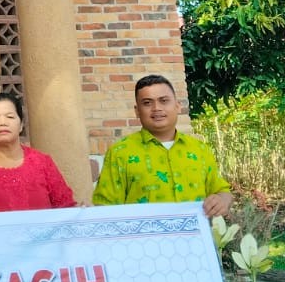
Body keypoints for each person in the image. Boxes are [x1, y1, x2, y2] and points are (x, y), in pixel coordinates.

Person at [92, 74, 232, 218]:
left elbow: (222, 191)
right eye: (147, 103)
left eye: (164, 101)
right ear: (137, 111)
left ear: (177, 106)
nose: (156, 108)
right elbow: (104, 207)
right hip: (144, 239)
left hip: (196, 238)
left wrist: (222, 200)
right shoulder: (120, 153)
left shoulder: (199, 149)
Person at [0, 92, 76, 213]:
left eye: (10, 117)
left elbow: (65, 209)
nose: (2, 122)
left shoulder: (43, 163)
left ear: (21, 125)